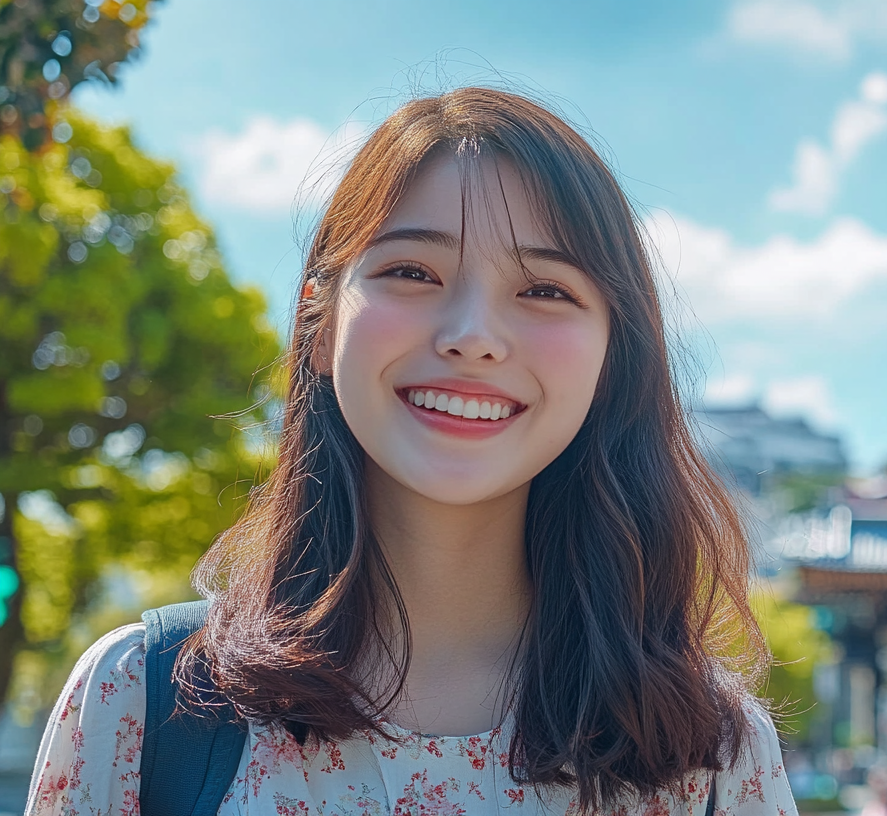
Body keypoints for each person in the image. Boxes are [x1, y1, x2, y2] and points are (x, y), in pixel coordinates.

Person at [26, 87, 796, 816]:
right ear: (320, 328)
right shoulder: (145, 702)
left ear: (612, 358)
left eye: (544, 290)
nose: (471, 335)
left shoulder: (712, 758)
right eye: (411, 272)